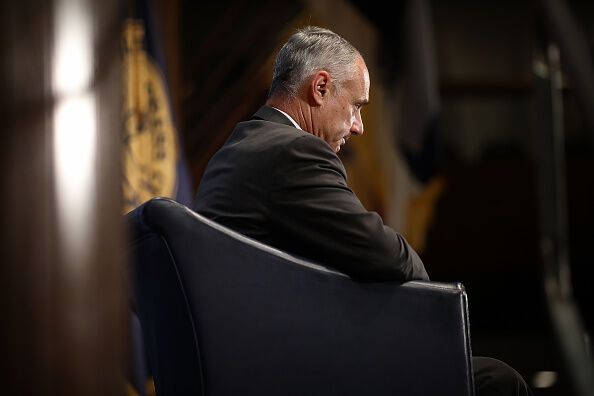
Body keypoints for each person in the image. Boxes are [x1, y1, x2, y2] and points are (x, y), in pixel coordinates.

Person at [194, 26, 532, 396]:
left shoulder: (238, 149)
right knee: (496, 382)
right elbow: (391, 257)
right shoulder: (292, 152)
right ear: (320, 88)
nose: (359, 127)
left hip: (247, 362)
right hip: (293, 371)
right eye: (356, 106)